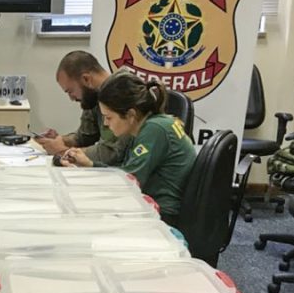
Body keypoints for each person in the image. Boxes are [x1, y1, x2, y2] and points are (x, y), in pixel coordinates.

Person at [60, 72, 196, 227]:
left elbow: (129, 182)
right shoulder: (148, 125)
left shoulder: (154, 129)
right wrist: (90, 165)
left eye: (109, 117)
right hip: (152, 205)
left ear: (131, 114)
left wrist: (85, 177)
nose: (105, 124)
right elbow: (126, 171)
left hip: (162, 215)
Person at [35, 51, 132, 166]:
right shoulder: (93, 95)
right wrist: (61, 140)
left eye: (70, 91)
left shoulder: (121, 93)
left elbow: (111, 152)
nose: (72, 98)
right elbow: (85, 136)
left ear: (86, 79)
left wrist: (64, 152)